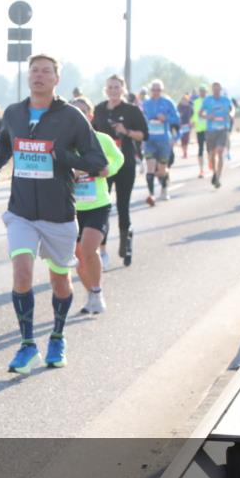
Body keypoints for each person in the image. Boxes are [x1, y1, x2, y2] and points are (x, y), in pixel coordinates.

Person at [0, 54, 106, 373]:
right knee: (21, 272)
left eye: (46, 71)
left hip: (59, 213)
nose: (38, 75)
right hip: (21, 211)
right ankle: (27, 345)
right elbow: (4, 144)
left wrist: (63, 157)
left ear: (56, 79)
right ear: (28, 77)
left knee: (59, 279)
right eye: (34, 70)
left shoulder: (71, 117)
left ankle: (57, 337)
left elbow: (98, 162)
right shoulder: (14, 113)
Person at [70, 96, 124, 314]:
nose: (80, 115)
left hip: (97, 204)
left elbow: (118, 158)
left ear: (90, 115)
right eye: (75, 112)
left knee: (88, 249)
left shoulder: (102, 139)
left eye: (83, 111)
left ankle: (97, 291)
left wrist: (108, 170)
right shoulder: (64, 141)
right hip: (71, 206)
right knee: (78, 257)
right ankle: (91, 293)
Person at [93, 74, 148, 267]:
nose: (113, 90)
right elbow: (91, 135)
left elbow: (144, 135)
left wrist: (127, 132)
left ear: (123, 89)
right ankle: (102, 251)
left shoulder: (132, 110)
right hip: (104, 167)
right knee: (103, 208)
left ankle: (126, 241)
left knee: (123, 206)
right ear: (105, 89)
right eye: (110, 87)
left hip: (125, 164)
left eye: (117, 87)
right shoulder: (99, 109)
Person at [141, 79, 180, 202]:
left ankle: (164, 188)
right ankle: (151, 195)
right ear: (150, 90)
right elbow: (141, 121)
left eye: (158, 90)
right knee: (150, 168)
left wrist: (166, 118)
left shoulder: (168, 103)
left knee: (162, 170)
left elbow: (176, 120)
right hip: (150, 141)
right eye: (153, 90)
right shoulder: (146, 104)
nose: (156, 92)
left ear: (162, 90)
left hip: (164, 140)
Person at [199, 82, 233, 189]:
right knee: (212, 154)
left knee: (220, 151)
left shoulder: (225, 100)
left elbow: (232, 109)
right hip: (211, 131)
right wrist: (208, 117)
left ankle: (218, 177)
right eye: (215, 90)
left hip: (223, 129)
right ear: (212, 90)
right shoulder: (207, 100)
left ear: (221, 90)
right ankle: (214, 172)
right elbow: (200, 114)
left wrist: (231, 114)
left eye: (218, 89)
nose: (217, 91)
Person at [192, 85, 209, 176]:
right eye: (201, 91)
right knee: (200, 149)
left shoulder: (210, 101)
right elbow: (194, 114)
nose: (202, 92)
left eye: (204, 91)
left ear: (207, 92)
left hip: (209, 129)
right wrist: (193, 122)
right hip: (199, 129)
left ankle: (212, 166)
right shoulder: (196, 102)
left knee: (210, 149)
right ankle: (201, 170)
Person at [177, 93, 194, 159]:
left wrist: (191, 122)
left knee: (186, 139)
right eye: (183, 99)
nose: (185, 101)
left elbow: (192, 115)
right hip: (181, 125)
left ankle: (185, 152)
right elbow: (176, 115)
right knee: (182, 139)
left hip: (187, 125)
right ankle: (184, 152)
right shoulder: (179, 107)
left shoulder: (190, 107)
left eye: (186, 99)